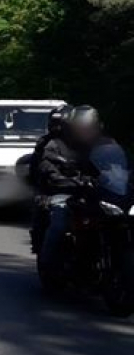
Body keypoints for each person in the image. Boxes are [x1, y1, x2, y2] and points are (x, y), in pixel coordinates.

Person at [31, 105, 102, 266]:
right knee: (59, 223)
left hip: (88, 192)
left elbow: (107, 162)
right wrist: (59, 178)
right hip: (61, 191)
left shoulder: (93, 144)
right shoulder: (50, 145)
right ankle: (48, 264)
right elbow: (45, 166)